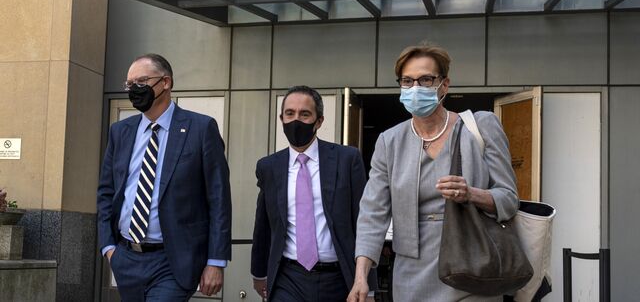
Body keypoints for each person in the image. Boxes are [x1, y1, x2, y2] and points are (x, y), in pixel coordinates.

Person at [348, 44, 519, 302]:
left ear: (444, 85)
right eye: (407, 80)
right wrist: (361, 276)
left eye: (426, 79)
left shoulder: (481, 127)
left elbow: (508, 200)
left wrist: (471, 194)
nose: (415, 87)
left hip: (472, 267)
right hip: (411, 277)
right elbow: (373, 213)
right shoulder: (390, 141)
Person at [97, 53, 232, 301]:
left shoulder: (201, 129)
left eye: (141, 81)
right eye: (129, 84)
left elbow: (219, 197)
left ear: (165, 82)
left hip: (174, 260)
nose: (133, 89)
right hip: (126, 258)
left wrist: (216, 261)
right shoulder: (120, 132)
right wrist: (109, 249)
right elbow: (107, 192)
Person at [251, 86, 376, 302]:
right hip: (288, 278)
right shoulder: (269, 167)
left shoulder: (347, 160)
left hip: (338, 278)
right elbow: (263, 225)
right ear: (281, 119)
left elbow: (363, 222)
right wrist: (259, 273)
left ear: (319, 121)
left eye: (304, 114)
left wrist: (368, 284)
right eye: (289, 114)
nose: (296, 120)